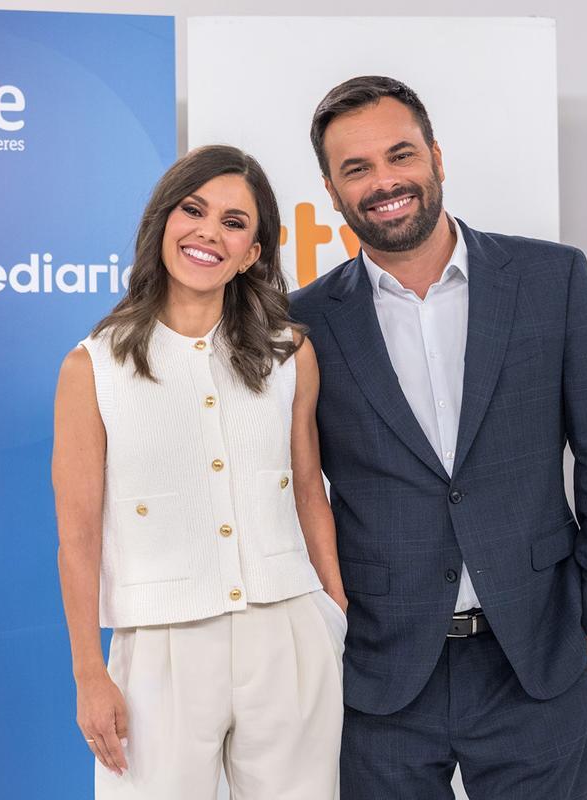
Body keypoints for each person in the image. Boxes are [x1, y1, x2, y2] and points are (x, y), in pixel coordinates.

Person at [289, 76, 587, 799]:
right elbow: (292, 491)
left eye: (401, 155)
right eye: (356, 168)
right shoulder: (303, 324)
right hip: (382, 677)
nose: (385, 181)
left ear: (437, 158)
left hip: (540, 662)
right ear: (330, 190)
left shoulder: (552, 279)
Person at [52, 144, 346, 799]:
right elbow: (77, 537)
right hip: (159, 651)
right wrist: (89, 674)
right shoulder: (91, 369)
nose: (210, 231)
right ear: (163, 223)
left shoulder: (289, 354)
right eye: (194, 209)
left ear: (253, 253)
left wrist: (335, 612)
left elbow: (308, 491)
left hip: (289, 636)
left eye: (235, 222)